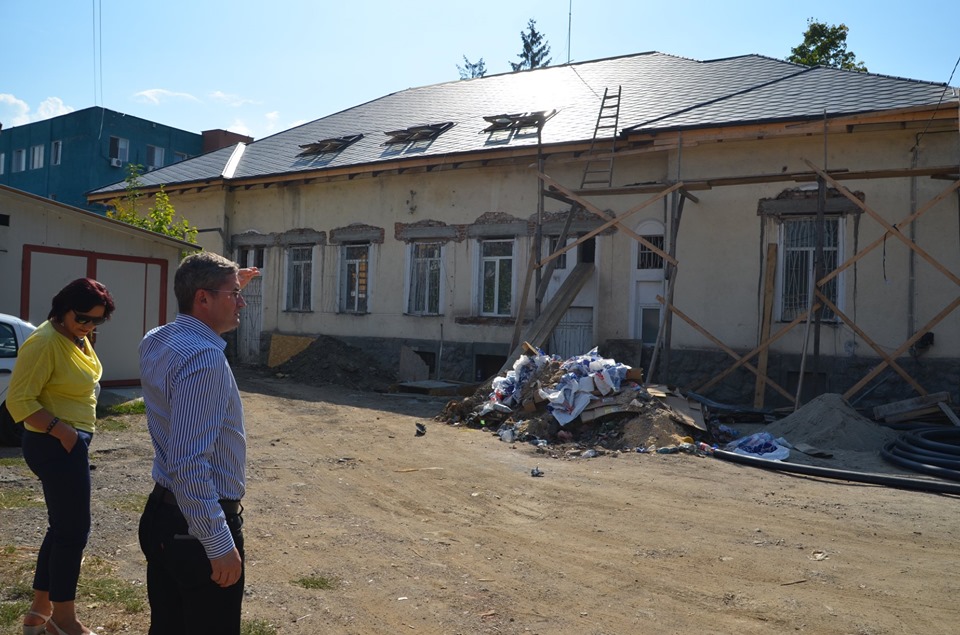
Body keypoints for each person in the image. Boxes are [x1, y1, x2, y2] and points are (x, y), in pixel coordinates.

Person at [137, 252, 259, 635]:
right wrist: (218, 542)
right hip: (194, 530)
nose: (241, 303)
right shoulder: (204, 360)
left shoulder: (157, 339)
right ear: (202, 298)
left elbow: (193, 313)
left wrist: (225, 286)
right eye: (234, 295)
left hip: (163, 516)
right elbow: (188, 463)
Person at [8, 278, 116, 635]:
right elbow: (19, 401)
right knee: (74, 532)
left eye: (97, 320)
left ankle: (39, 612)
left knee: (62, 528)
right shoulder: (44, 342)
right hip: (54, 444)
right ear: (63, 309)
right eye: (83, 317)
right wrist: (63, 431)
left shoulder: (75, 337)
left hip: (67, 442)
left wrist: (75, 435)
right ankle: (64, 620)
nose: (89, 325)